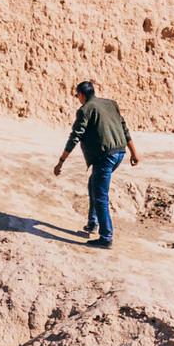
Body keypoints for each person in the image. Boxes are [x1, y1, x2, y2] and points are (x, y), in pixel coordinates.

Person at [53, 79, 139, 248]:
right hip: (119, 152)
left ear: (82, 95)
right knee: (93, 183)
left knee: (101, 196)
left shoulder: (85, 110)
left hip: (105, 157)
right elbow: (124, 128)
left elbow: (75, 137)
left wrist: (60, 161)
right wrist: (134, 152)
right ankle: (92, 223)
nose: (77, 98)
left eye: (77, 95)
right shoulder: (110, 103)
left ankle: (106, 237)